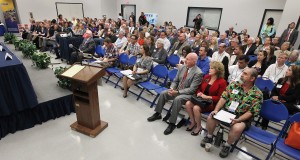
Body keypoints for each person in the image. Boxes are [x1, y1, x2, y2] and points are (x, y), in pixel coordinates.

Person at [201, 68, 263, 158]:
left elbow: (252, 112)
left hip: (242, 116)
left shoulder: (257, 94)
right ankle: (209, 136)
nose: (242, 74)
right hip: (226, 111)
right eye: (242, 72)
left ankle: (227, 146)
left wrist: (239, 119)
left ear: (252, 79)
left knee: (237, 128)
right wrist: (216, 110)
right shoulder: (234, 84)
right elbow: (223, 98)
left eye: (245, 74)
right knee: (211, 116)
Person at [147, 53, 202, 135]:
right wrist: (172, 88)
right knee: (163, 93)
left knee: (177, 99)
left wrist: (178, 92)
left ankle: (172, 123)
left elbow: (192, 89)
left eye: (188, 59)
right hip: (177, 90)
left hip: (188, 95)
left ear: (194, 61)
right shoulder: (182, 67)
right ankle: (158, 113)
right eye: (185, 58)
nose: (185, 60)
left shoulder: (198, 73)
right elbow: (176, 80)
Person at [185, 61, 227, 135]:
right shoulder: (207, 77)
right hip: (200, 99)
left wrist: (207, 97)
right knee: (188, 103)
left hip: (210, 103)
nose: (209, 69)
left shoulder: (222, 82)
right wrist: (198, 93)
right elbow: (199, 88)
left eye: (212, 68)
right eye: (210, 68)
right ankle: (193, 121)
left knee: (196, 108)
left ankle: (199, 126)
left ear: (217, 70)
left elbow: (220, 98)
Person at [261, 65, 300, 130]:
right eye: (287, 69)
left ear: (295, 73)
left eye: (289, 70)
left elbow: (293, 97)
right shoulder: (281, 80)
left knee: (275, 105)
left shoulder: (298, 85)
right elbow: (274, 90)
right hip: (276, 100)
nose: (286, 71)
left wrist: (280, 98)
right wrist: (273, 96)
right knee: (269, 103)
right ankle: (264, 125)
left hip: (288, 103)